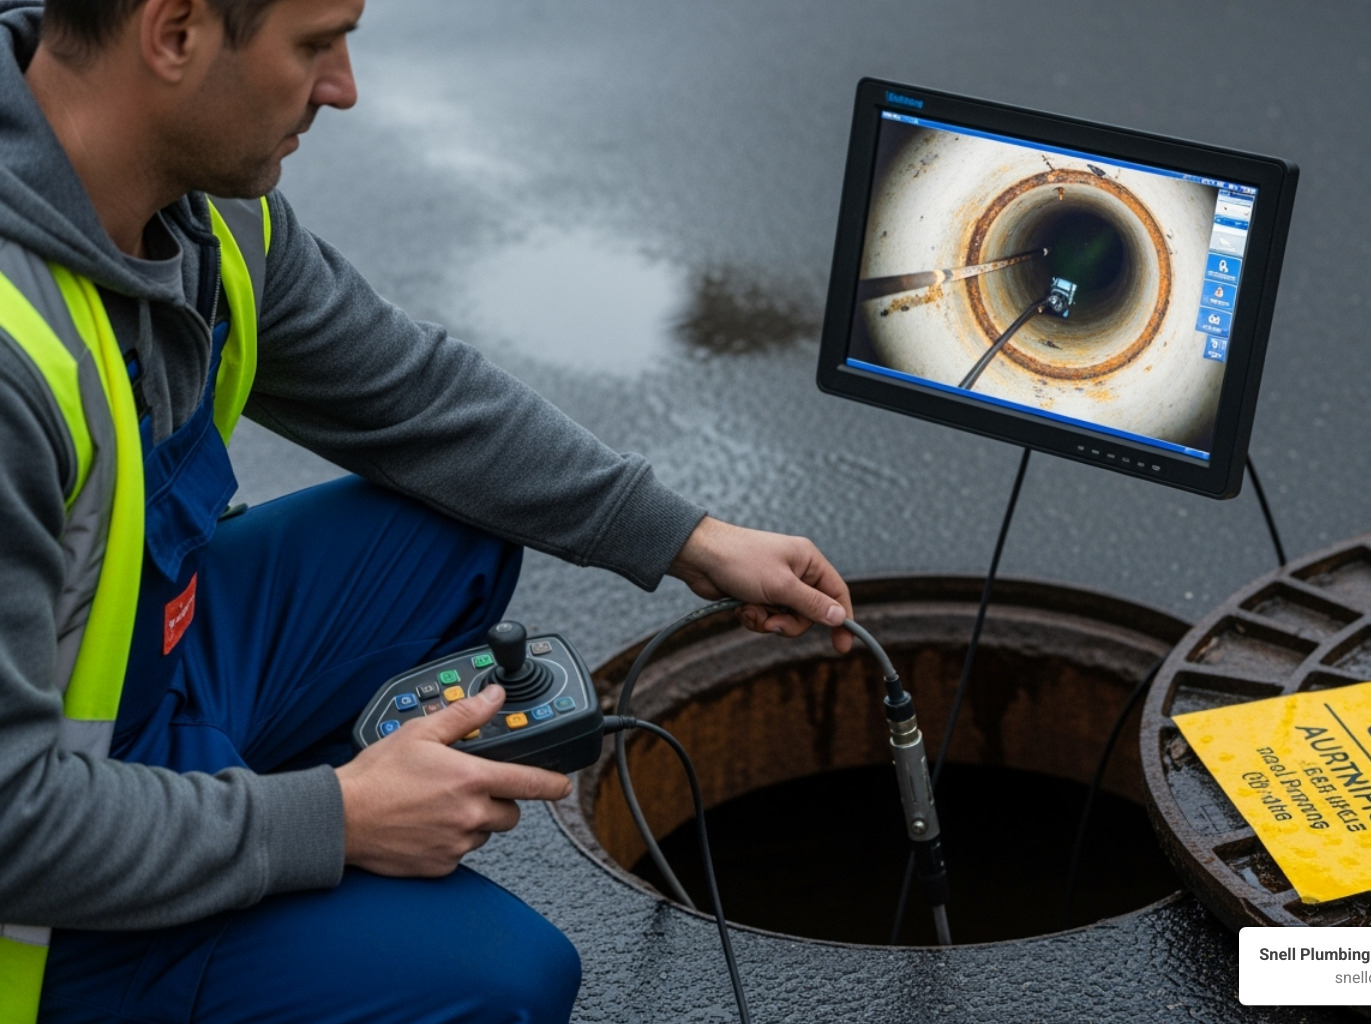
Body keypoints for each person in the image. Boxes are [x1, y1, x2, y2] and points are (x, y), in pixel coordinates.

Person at [0, 0, 854, 1021]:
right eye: (315, 45)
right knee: (502, 978)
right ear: (174, 33)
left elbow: (413, 398)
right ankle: (190, 919)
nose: (343, 87)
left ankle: (212, 830)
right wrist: (336, 820)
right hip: (33, 880)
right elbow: (15, 821)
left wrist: (687, 538)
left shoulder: (200, 209)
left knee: (447, 532)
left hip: (136, 678)